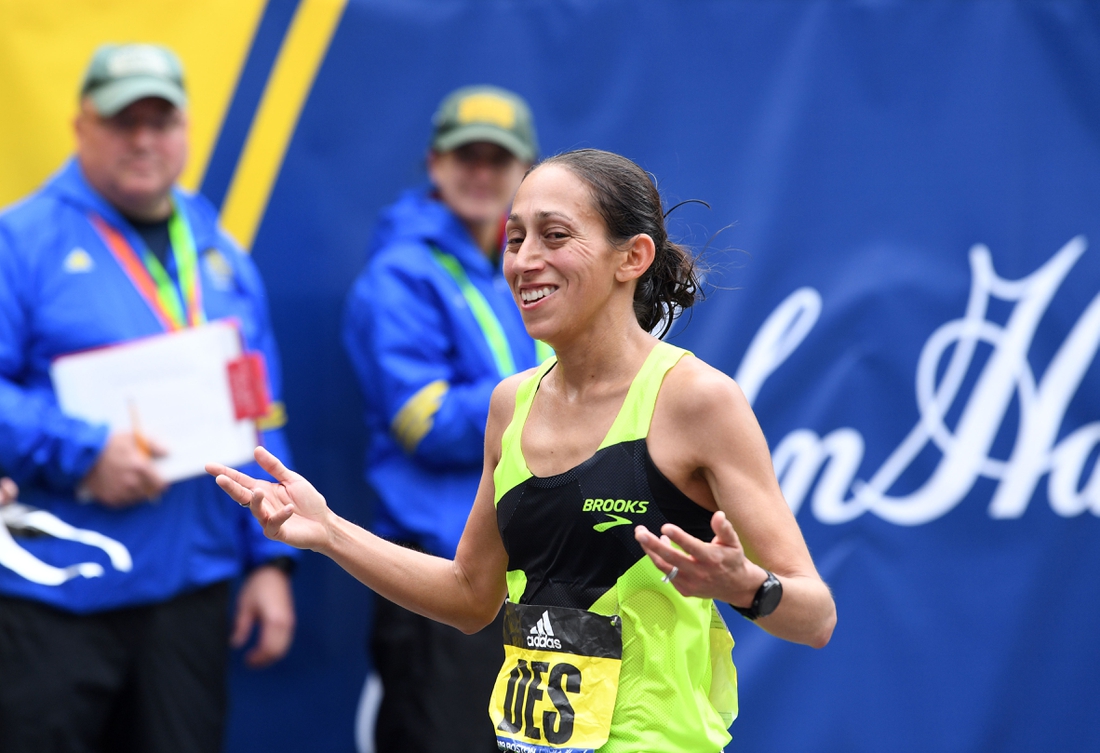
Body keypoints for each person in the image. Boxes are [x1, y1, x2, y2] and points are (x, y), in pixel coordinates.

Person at [212, 148, 837, 752]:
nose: (526, 260)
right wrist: (328, 531)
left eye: (556, 236)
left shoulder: (698, 401)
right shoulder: (511, 404)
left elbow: (815, 617)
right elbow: (469, 596)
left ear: (633, 257)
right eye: (515, 239)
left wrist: (747, 587)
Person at [0, 43, 298, 753]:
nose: (143, 139)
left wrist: (269, 557)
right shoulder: (21, 239)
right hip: (56, 592)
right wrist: (84, 451)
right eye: (121, 120)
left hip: (189, 588)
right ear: (81, 127)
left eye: (159, 120)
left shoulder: (219, 250)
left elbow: (261, 406)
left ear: (185, 129)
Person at [342, 84, 542, 753]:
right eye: (466, 157)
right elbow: (423, 424)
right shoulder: (398, 275)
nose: (482, 173)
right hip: (440, 574)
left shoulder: (530, 269)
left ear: (526, 172)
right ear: (435, 163)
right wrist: (560, 405)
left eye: (498, 159)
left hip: (536, 573)